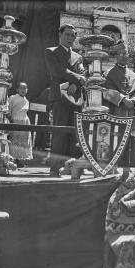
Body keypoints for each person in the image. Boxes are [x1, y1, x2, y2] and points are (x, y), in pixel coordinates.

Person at [44, 23, 86, 177]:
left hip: (76, 99)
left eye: (73, 35)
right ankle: (55, 168)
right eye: (67, 34)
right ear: (60, 35)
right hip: (59, 98)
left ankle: (73, 168)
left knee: (75, 135)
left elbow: (83, 75)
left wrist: (76, 82)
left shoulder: (78, 56)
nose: (70, 38)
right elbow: (56, 71)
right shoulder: (51, 52)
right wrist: (76, 79)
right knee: (59, 133)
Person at [101, 40, 135, 178]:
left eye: (125, 53)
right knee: (115, 141)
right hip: (116, 112)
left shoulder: (133, 75)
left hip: (131, 113)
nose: (124, 55)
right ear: (116, 55)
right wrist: (122, 99)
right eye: (121, 53)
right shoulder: (108, 73)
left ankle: (127, 169)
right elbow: (106, 91)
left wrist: (134, 101)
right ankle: (113, 169)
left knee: (129, 143)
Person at [7, 82, 33, 168]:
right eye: (21, 88)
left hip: (25, 122)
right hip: (15, 121)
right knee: (14, 141)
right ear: (17, 89)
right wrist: (10, 120)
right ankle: (13, 160)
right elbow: (8, 110)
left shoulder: (27, 100)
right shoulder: (13, 98)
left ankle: (21, 160)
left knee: (24, 142)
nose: (23, 90)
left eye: (25, 88)